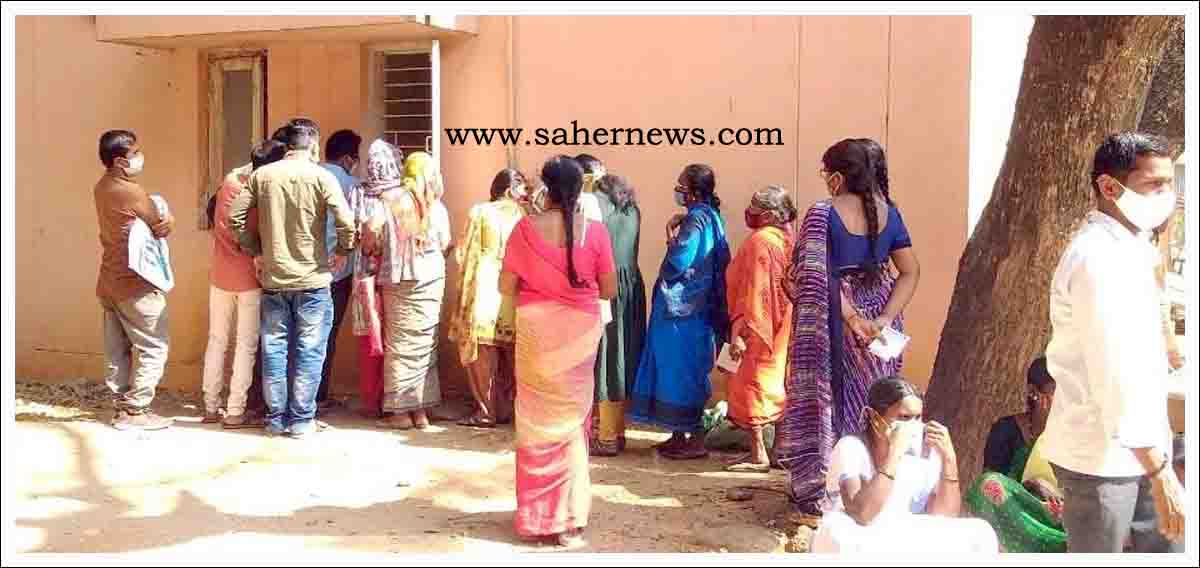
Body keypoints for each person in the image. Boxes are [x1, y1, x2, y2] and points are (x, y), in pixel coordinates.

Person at [1041, 132, 1184, 553]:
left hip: (1145, 449)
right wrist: (1159, 472)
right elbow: (1113, 373)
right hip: (1100, 458)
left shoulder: (1134, 245)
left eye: (1169, 183)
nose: (1166, 196)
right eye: (1153, 184)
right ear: (1108, 187)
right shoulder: (1096, 258)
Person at [778, 138, 921, 519]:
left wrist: (854, 319)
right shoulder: (891, 213)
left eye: (825, 173)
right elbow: (910, 271)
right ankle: (873, 485)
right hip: (880, 331)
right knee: (871, 407)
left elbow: (815, 276)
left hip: (836, 324)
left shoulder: (822, 213)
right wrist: (883, 319)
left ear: (838, 177)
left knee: (829, 404)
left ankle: (826, 486)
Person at [499, 155, 617, 548]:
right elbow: (609, 290)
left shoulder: (523, 229)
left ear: (545, 188)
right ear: (581, 189)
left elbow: (505, 286)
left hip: (537, 330)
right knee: (571, 422)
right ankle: (568, 522)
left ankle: (537, 520)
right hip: (579, 333)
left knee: (534, 419)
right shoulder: (595, 232)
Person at [228, 122, 357, 438]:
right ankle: (301, 420)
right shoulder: (322, 177)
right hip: (313, 280)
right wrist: (343, 251)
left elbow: (235, 217)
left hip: (274, 280)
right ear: (313, 146)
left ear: (287, 147)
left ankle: (275, 420)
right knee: (309, 352)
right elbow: (346, 222)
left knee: (274, 351)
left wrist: (256, 250)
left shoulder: (262, 175)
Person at [811, 377, 998, 553]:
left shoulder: (927, 452)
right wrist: (894, 454)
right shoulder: (851, 447)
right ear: (874, 417)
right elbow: (863, 514)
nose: (913, 426)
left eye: (918, 418)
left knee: (981, 533)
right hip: (860, 535)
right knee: (842, 537)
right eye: (904, 417)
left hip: (904, 535)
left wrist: (949, 459)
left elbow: (945, 517)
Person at [628, 164, 731, 461]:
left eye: (681, 186)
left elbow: (679, 261)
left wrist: (669, 235)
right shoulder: (711, 217)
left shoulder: (697, 220)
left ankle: (695, 440)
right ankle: (677, 435)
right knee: (684, 371)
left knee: (680, 374)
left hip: (682, 311)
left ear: (694, 192)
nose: (678, 191)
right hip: (696, 309)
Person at [201, 140, 287, 428]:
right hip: (250, 277)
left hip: (220, 275)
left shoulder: (229, 182)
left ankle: (210, 406)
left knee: (217, 340)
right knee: (246, 345)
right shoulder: (261, 192)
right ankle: (235, 409)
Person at [93, 130, 176, 431]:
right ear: (119, 161)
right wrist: (169, 218)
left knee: (118, 349)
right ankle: (136, 408)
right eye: (134, 153)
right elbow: (159, 225)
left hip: (109, 281)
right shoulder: (131, 191)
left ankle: (121, 408)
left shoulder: (101, 187)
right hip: (136, 283)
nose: (140, 158)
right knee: (155, 347)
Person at [365, 151, 452, 430]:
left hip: (399, 280)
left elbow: (371, 236)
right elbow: (445, 244)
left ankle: (401, 414)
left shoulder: (389, 201)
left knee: (400, 345)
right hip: (432, 280)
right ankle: (421, 412)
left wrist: (373, 248)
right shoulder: (437, 207)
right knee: (426, 343)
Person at [723, 185, 797, 472]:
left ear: (768, 214)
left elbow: (752, 290)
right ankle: (779, 450)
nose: (749, 212)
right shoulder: (789, 239)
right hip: (785, 325)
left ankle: (758, 454)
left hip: (757, 326)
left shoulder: (759, 241)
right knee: (780, 384)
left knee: (750, 384)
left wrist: (741, 333)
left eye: (755, 207)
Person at [450, 168, 528, 428]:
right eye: (522, 188)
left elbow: (463, 253)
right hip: (514, 289)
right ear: (510, 190)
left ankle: (486, 411)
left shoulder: (481, 212)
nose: (525, 193)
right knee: (511, 354)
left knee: (483, 353)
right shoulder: (524, 215)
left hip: (484, 287)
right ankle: (508, 410)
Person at [965, 357, 1066, 553]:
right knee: (988, 483)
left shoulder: (1076, 434)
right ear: (1033, 392)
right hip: (1020, 513)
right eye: (1056, 390)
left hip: (1062, 515)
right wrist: (1033, 485)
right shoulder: (1007, 430)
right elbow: (995, 484)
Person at [589, 174, 647, 457]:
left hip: (606, 287)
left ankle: (606, 436)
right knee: (623, 357)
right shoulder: (632, 209)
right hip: (631, 287)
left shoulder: (597, 208)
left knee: (607, 360)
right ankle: (618, 431)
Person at [346, 140, 402, 418]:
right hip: (397, 273)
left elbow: (352, 232)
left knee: (371, 336)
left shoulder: (358, 192)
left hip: (365, 272)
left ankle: (373, 401)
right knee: (394, 336)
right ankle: (393, 400)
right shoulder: (403, 195)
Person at [315, 129, 363, 411]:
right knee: (326, 335)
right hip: (337, 273)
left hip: (303, 269)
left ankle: (294, 399)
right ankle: (318, 396)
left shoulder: (310, 176)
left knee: (297, 336)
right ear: (347, 159)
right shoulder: (351, 186)